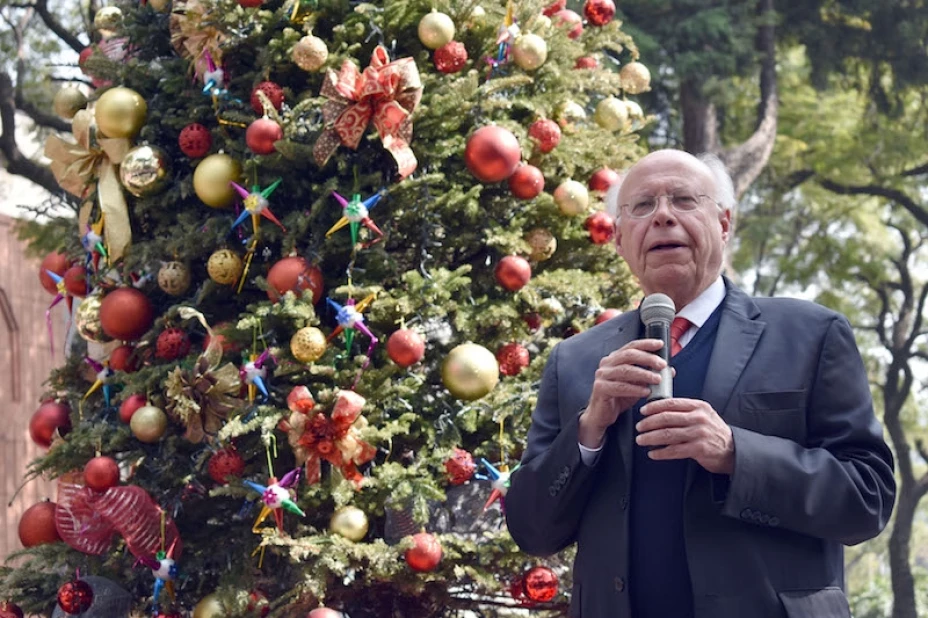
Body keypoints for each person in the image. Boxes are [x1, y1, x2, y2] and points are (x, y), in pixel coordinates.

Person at [504, 149, 896, 618]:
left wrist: (735, 452)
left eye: (685, 200)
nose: (664, 216)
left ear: (724, 223)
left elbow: (867, 499)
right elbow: (532, 529)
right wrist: (589, 430)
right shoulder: (576, 360)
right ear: (620, 239)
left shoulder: (810, 335)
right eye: (643, 206)